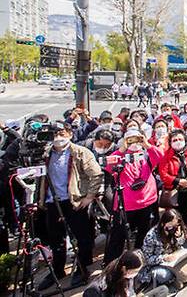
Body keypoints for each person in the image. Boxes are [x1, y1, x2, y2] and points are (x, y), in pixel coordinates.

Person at [37, 121, 103, 291]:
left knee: (83, 238)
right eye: (55, 134)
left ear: (70, 134)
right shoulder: (45, 154)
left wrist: (89, 197)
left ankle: (83, 268)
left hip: (74, 201)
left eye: (61, 134)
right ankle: (58, 270)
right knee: (56, 239)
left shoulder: (80, 152)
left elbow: (96, 175)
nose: (58, 138)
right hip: (53, 202)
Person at [104, 129, 164, 265]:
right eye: (130, 139)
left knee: (145, 234)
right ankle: (112, 266)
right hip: (125, 205)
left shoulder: (146, 155)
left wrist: (147, 144)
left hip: (147, 202)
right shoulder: (120, 156)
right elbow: (108, 166)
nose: (134, 142)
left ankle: (140, 261)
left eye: (136, 139)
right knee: (118, 237)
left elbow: (160, 156)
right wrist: (123, 149)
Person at [138, 209, 187, 290]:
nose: (173, 228)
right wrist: (163, 257)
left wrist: (180, 237)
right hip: (160, 263)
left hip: (175, 257)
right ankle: (174, 279)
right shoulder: (151, 236)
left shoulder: (177, 227)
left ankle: (177, 276)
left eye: (175, 225)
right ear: (163, 224)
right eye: (170, 226)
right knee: (164, 275)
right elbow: (147, 259)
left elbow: (179, 245)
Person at [159, 129, 187, 229]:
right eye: (174, 140)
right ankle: (176, 230)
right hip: (174, 189)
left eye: (180, 139)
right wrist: (178, 181)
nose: (178, 142)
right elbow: (163, 174)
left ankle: (185, 228)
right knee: (175, 212)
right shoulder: (166, 156)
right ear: (170, 142)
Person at [83, 250, 168, 297]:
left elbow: (131, 292)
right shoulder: (95, 290)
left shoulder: (127, 277)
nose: (136, 274)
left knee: (163, 289)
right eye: (135, 271)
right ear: (125, 269)